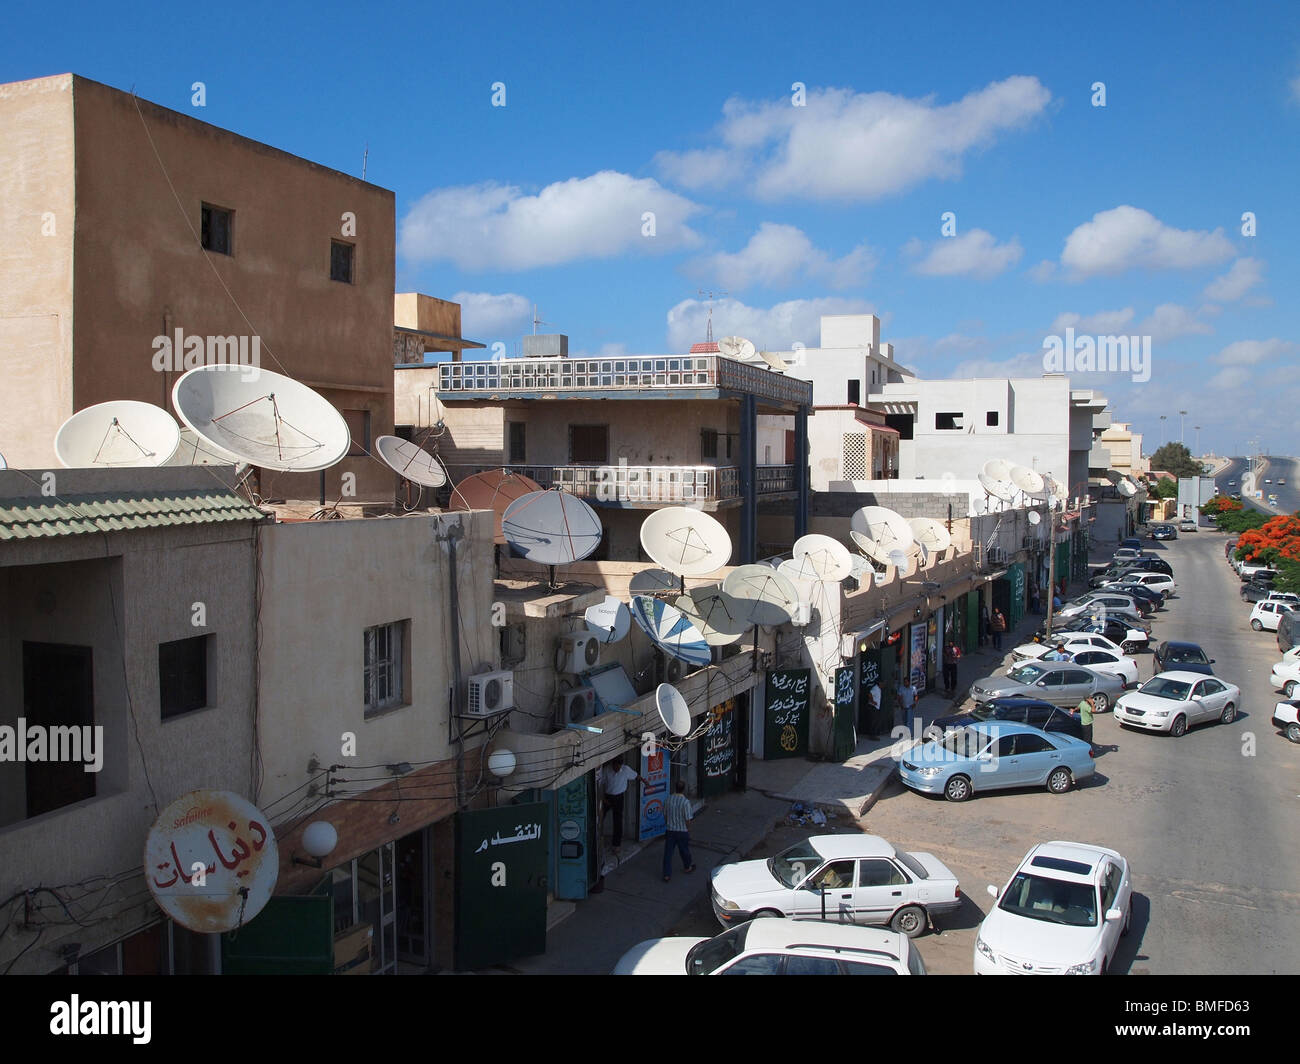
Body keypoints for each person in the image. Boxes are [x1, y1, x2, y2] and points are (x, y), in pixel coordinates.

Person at [599, 755, 645, 852]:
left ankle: (616, 845)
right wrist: (602, 798)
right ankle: (598, 840)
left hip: (619, 797)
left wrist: (646, 782)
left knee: (618, 821)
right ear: (613, 764)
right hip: (607, 796)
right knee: (599, 818)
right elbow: (599, 784)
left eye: (619, 767)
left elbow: (637, 776)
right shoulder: (606, 770)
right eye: (615, 767)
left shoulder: (625, 770)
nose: (617, 769)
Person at [662, 781, 695, 882]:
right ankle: (687, 867)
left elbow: (665, 814)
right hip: (682, 831)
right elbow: (688, 819)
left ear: (675, 788)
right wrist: (689, 829)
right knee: (684, 851)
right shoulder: (685, 802)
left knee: (668, 853)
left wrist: (668, 824)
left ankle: (666, 875)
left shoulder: (668, 799)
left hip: (670, 830)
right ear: (683, 789)